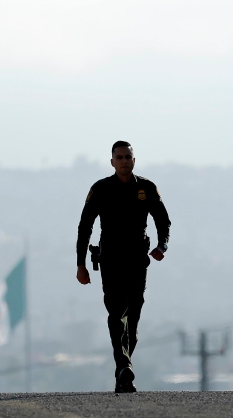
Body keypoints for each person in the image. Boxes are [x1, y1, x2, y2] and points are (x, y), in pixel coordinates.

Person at [75, 141, 171, 393]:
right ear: (112, 162)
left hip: (138, 259)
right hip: (111, 260)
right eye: (119, 157)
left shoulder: (146, 188)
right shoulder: (101, 189)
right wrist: (80, 265)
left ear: (134, 160)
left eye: (128, 156)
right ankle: (124, 366)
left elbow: (163, 220)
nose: (124, 161)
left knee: (134, 318)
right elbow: (85, 227)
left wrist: (162, 246)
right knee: (118, 312)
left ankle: (122, 371)